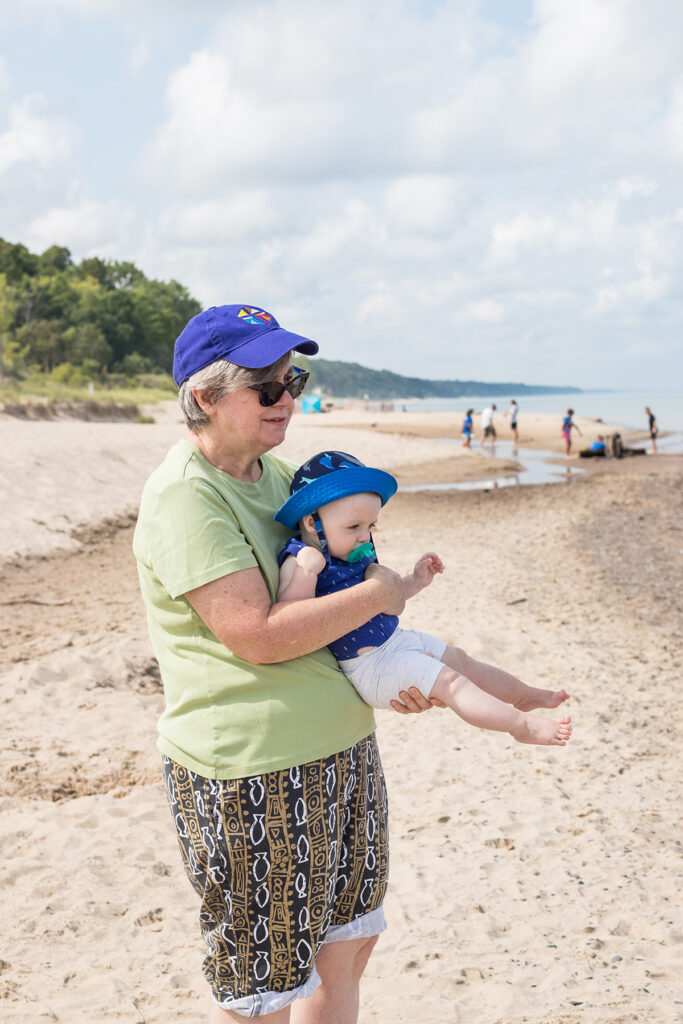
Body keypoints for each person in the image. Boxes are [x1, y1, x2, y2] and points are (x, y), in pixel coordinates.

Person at [133, 305, 424, 1023]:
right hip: (253, 774)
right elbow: (257, 636)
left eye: (291, 380)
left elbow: (342, 582)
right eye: (265, 388)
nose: (287, 399)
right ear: (203, 398)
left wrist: (395, 663)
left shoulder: (281, 477)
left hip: (342, 751)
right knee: (260, 985)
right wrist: (378, 595)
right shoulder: (186, 498)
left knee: (346, 948)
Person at [275, 451, 573, 747]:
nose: (364, 536)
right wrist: (305, 573)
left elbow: (382, 598)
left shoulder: (348, 552)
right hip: (370, 666)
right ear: (313, 523)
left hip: (397, 641)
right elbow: (295, 619)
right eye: (354, 527)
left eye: (370, 526)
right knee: (450, 682)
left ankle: (523, 696)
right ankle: (520, 727)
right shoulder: (302, 558)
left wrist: (415, 581)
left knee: (462, 662)